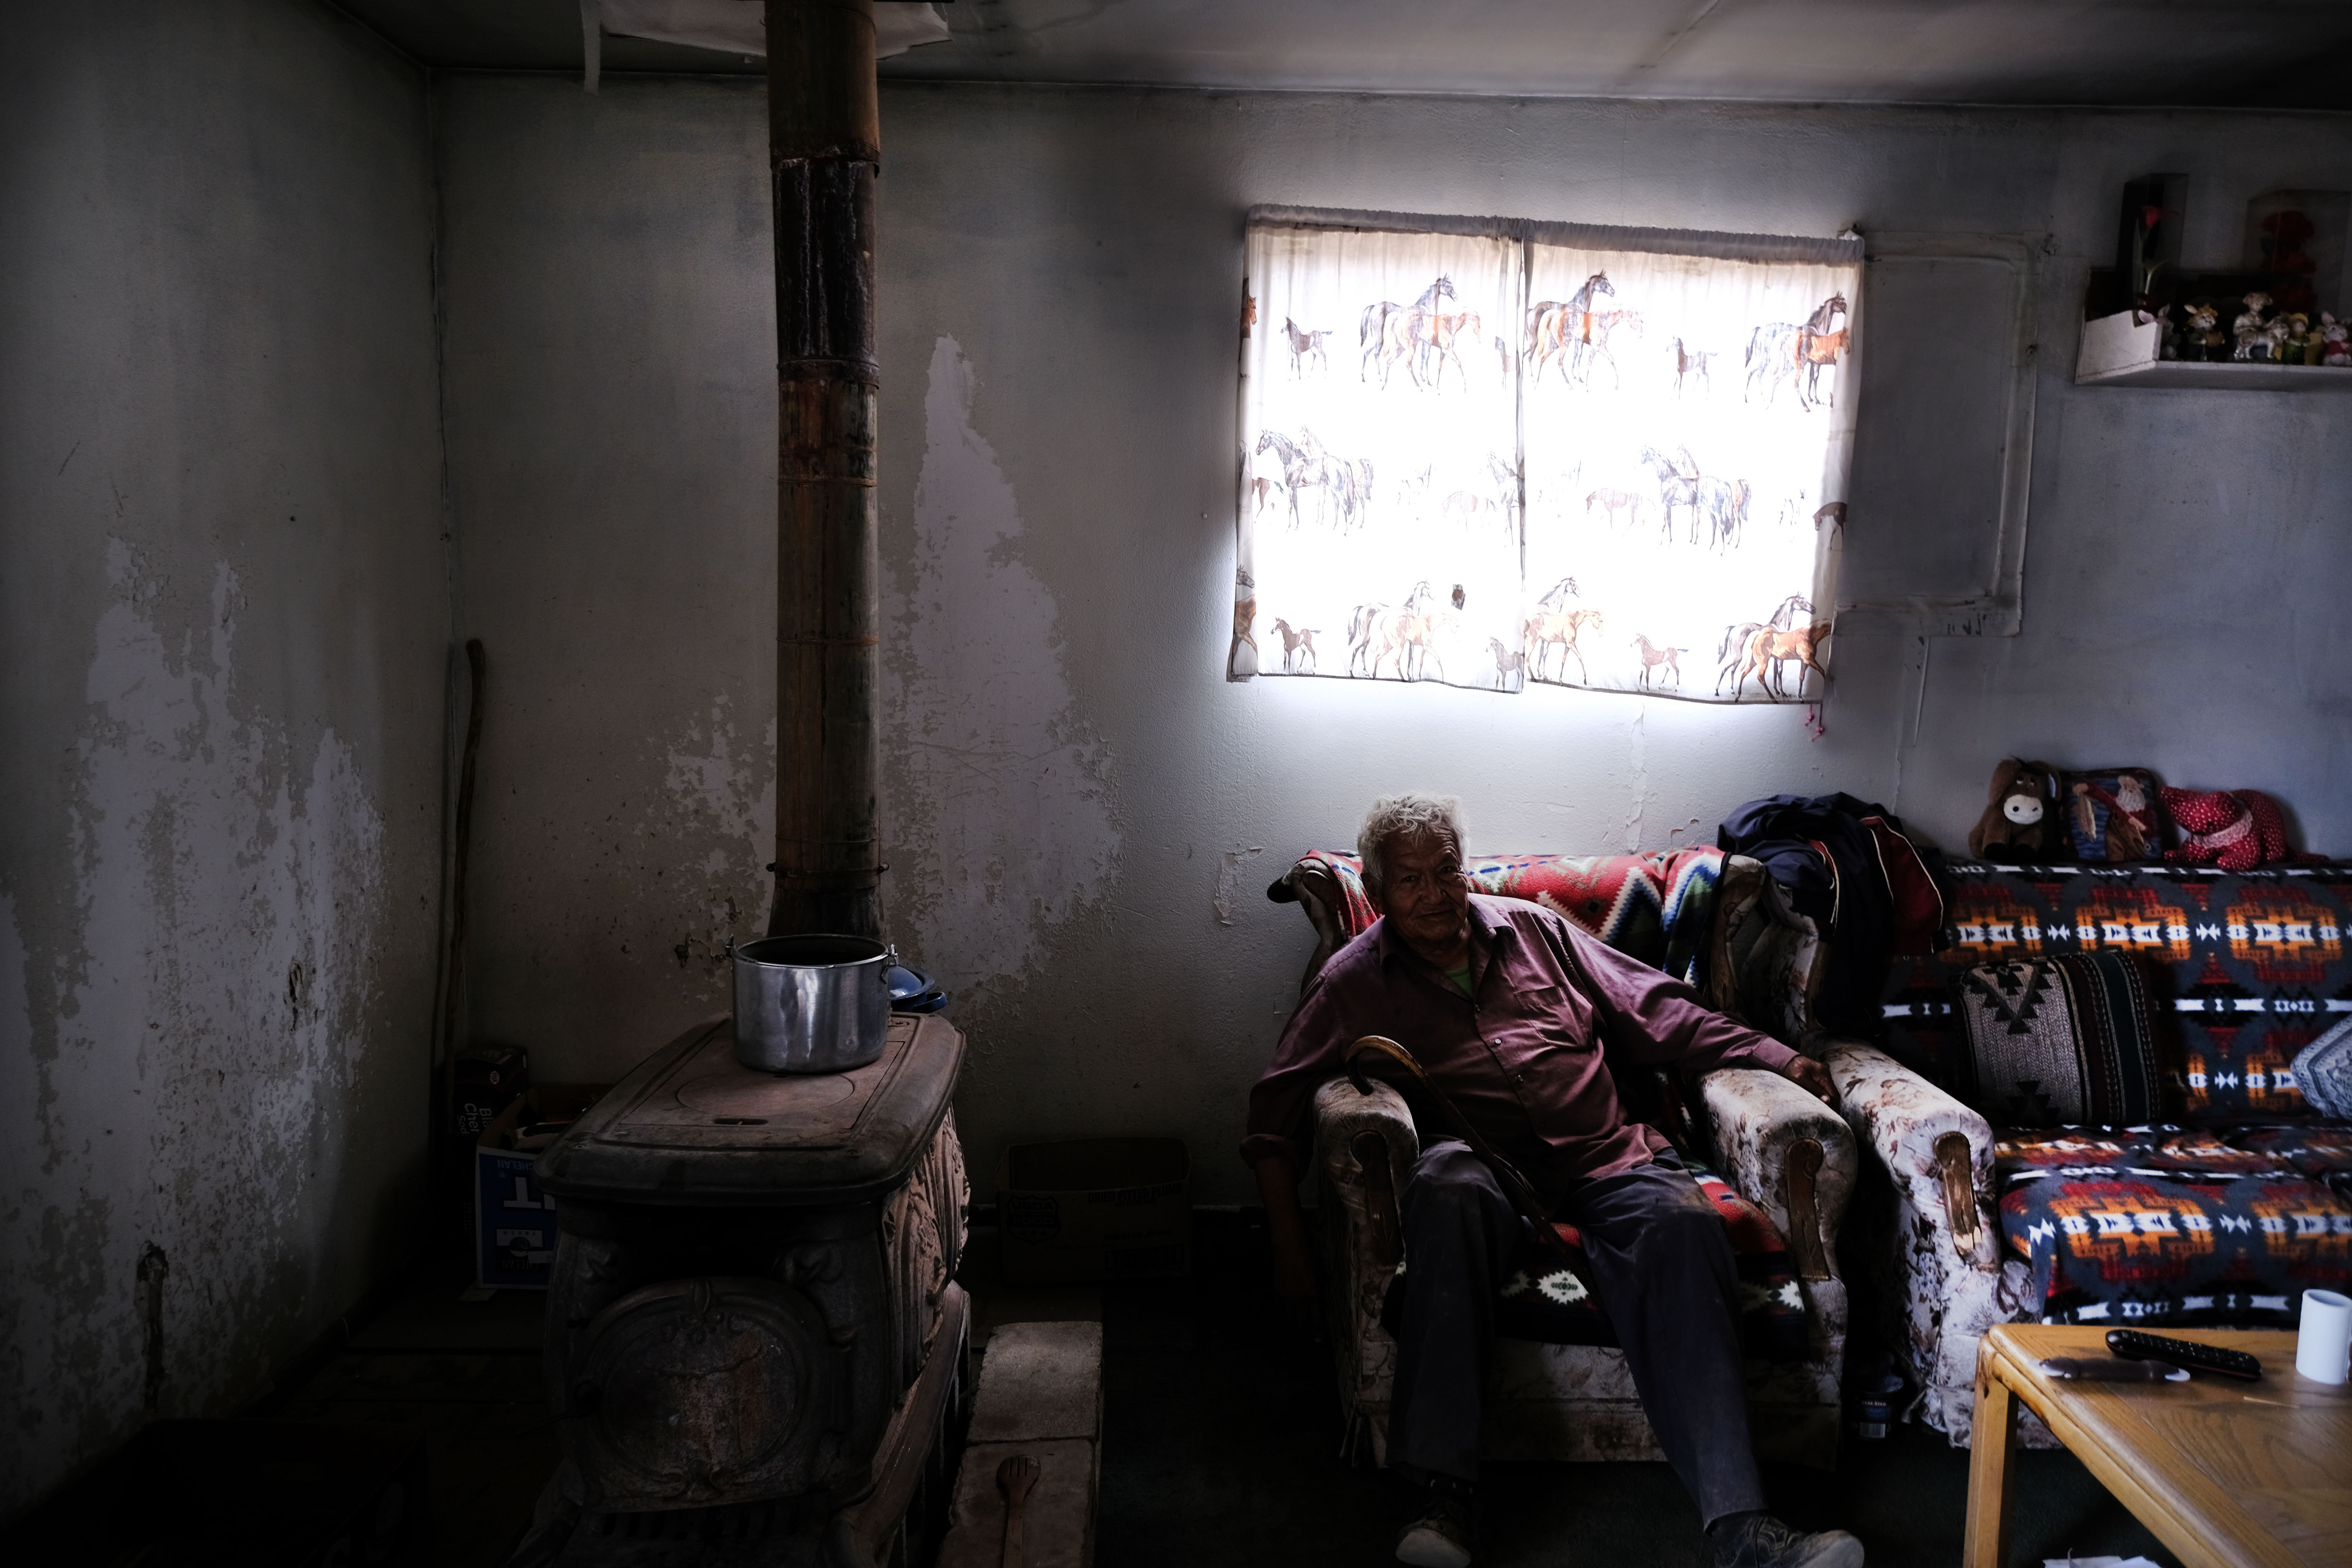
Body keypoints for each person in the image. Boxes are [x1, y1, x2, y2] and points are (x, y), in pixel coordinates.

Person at [1244, 793, 1865, 1568]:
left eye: (1447, 872)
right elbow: (1272, 1114)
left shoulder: (1534, 930)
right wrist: (1288, 1246)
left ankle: (1742, 1526)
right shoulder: (1351, 982)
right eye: (1411, 880)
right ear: (1376, 891)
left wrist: (1775, 1055)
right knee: (1445, 1188)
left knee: (1682, 1220)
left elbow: (1657, 1008)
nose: (1437, 894)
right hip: (1481, 1166)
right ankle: (1441, 1499)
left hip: (1605, 1151)